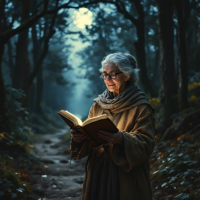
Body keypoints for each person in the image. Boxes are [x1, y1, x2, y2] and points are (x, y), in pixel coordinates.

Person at [70, 52, 156, 200]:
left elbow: (146, 143)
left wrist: (122, 139)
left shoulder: (141, 107)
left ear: (127, 75)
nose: (107, 79)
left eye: (113, 74)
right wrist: (80, 138)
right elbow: (90, 140)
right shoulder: (98, 105)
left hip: (126, 178)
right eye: (104, 74)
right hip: (98, 173)